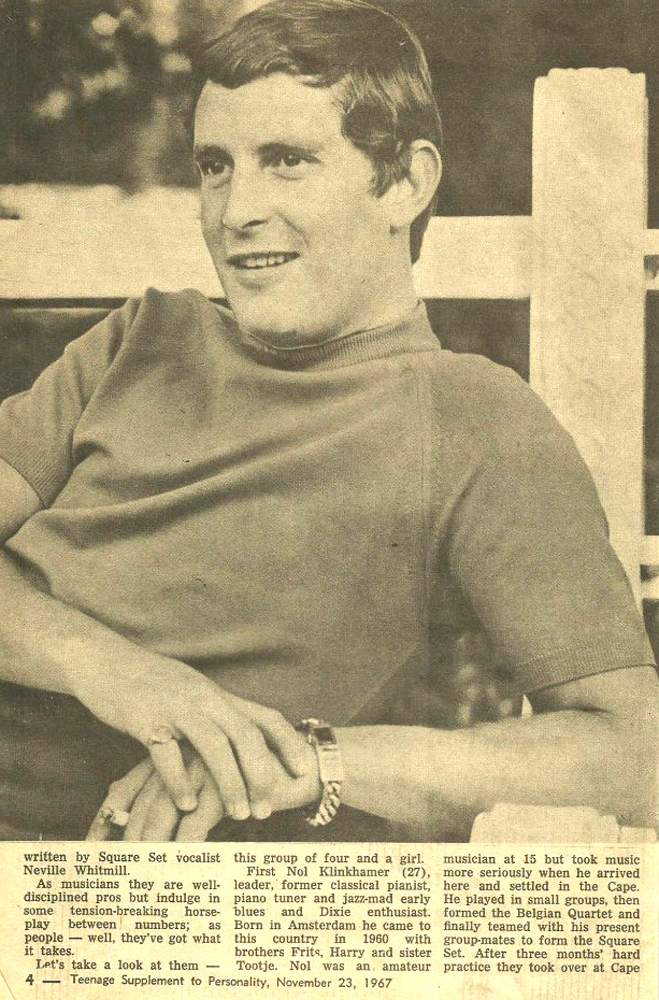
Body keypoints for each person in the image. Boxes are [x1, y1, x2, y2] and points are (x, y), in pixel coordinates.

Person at [0, 0, 656, 843]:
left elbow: (633, 756)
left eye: (286, 161)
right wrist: (123, 676)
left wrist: (310, 763)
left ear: (405, 183)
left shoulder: (474, 419)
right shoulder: (144, 338)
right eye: (214, 166)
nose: (234, 211)